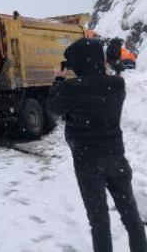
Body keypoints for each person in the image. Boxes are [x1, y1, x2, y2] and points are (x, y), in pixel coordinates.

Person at [47, 38, 147, 252]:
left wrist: (57, 79)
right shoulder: (117, 84)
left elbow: (54, 108)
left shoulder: (70, 88)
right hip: (116, 157)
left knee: (99, 221)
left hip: (87, 162)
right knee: (131, 218)